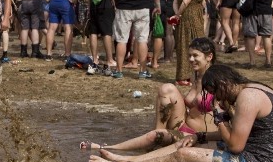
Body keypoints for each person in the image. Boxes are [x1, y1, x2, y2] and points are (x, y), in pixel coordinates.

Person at [89, 64, 273, 162]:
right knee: (190, 140)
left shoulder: (247, 98)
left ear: (224, 84)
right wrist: (200, 136)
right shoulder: (256, 88)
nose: (217, 99)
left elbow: (235, 146)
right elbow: (239, 135)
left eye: (215, 93)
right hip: (271, 161)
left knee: (183, 155)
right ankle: (130, 159)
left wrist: (218, 116)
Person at [80, 37, 218, 151]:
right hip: (183, 125)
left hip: (199, 136)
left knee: (153, 136)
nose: (191, 59)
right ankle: (158, 134)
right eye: (189, 56)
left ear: (209, 56)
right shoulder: (196, 76)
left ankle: (109, 147)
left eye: (195, 56)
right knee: (167, 89)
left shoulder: (217, 80)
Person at [170, 0, 206, 85]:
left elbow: (175, 2)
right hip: (192, 19)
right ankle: (188, 76)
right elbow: (186, 1)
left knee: (183, 45)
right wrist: (178, 14)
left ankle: (184, 76)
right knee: (195, 46)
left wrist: (177, 15)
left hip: (183, 18)